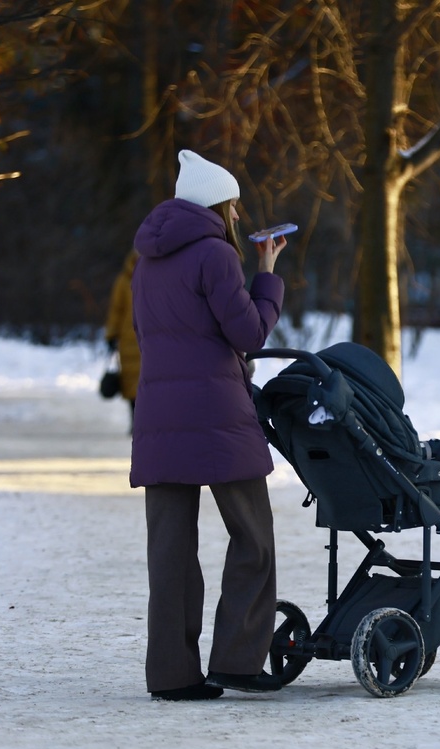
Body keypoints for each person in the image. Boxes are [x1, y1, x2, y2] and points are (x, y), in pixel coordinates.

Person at [130, 149, 289, 701]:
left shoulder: (148, 260)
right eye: (235, 206)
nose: (240, 217)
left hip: (158, 418)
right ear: (217, 207)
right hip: (218, 417)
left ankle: (173, 676)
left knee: (170, 551)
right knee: (253, 539)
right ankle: (237, 662)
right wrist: (267, 278)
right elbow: (248, 334)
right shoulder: (216, 256)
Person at [104, 250, 141, 429]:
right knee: (136, 381)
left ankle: (137, 420)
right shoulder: (125, 282)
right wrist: (111, 334)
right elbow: (117, 310)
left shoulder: (124, 281)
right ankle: (137, 420)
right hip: (136, 339)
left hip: (132, 339)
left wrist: (111, 334)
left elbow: (115, 311)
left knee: (135, 381)